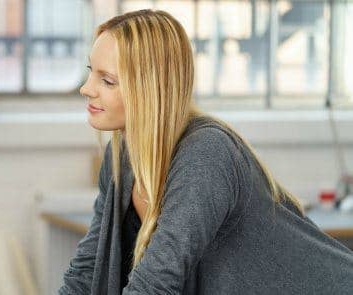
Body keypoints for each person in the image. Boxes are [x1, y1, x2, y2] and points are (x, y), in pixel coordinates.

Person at [58, 9, 353, 294]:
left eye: (107, 80)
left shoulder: (206, 155)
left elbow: (155, 283)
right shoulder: (121, 156)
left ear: (149, 88)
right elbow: (87, 270)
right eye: (90, 72)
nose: (87, 88)